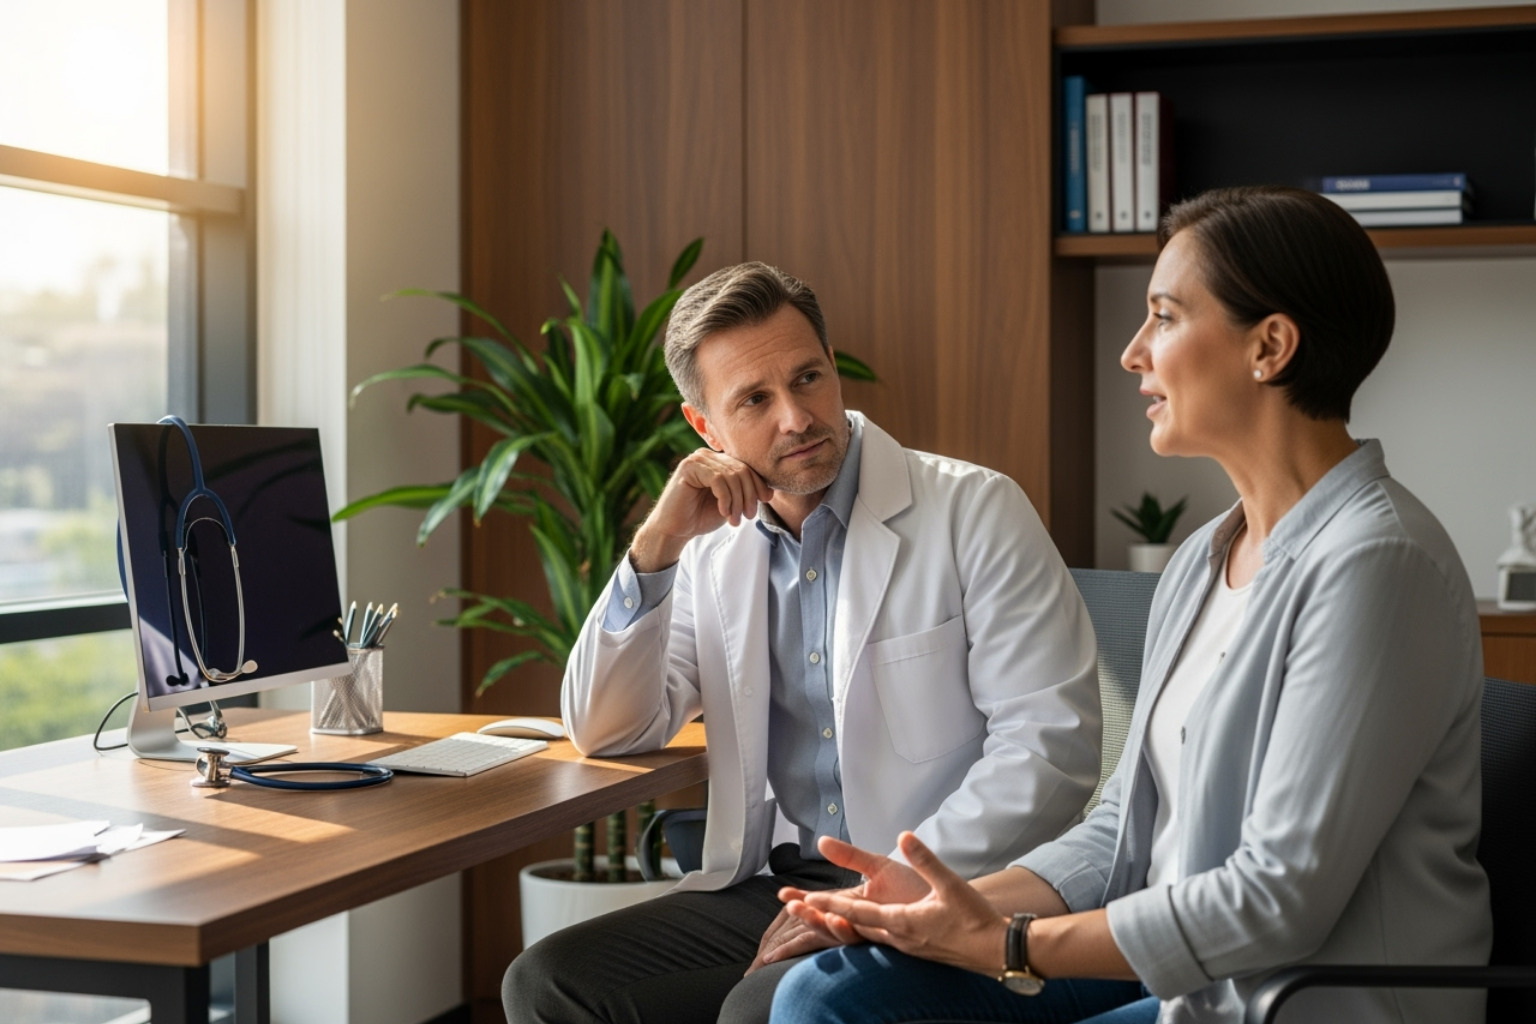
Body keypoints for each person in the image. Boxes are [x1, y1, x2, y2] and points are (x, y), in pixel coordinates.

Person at [768, 185, 1493, 1024]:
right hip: (1182, 972)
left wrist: (1009, 944)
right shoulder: (1202, 558)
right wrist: (947, 904)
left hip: (1292, 999)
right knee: (832, 995)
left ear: (1271, 346)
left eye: (1164, 316)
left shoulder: (1377, 565)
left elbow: (1277, 899)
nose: (1133, 352)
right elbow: (1126, 827)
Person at [502, 261, 1103, 1024]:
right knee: (545, 982)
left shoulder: (974, 510)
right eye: (755, 399)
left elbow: (1051, 747)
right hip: (775, 886)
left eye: (808, 378)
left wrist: (875, 892)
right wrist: (657, 544)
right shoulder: (712, 550)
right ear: (705, 428)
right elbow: (609, 727)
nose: (796, 416)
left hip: (948, 887)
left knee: (761, 1008)